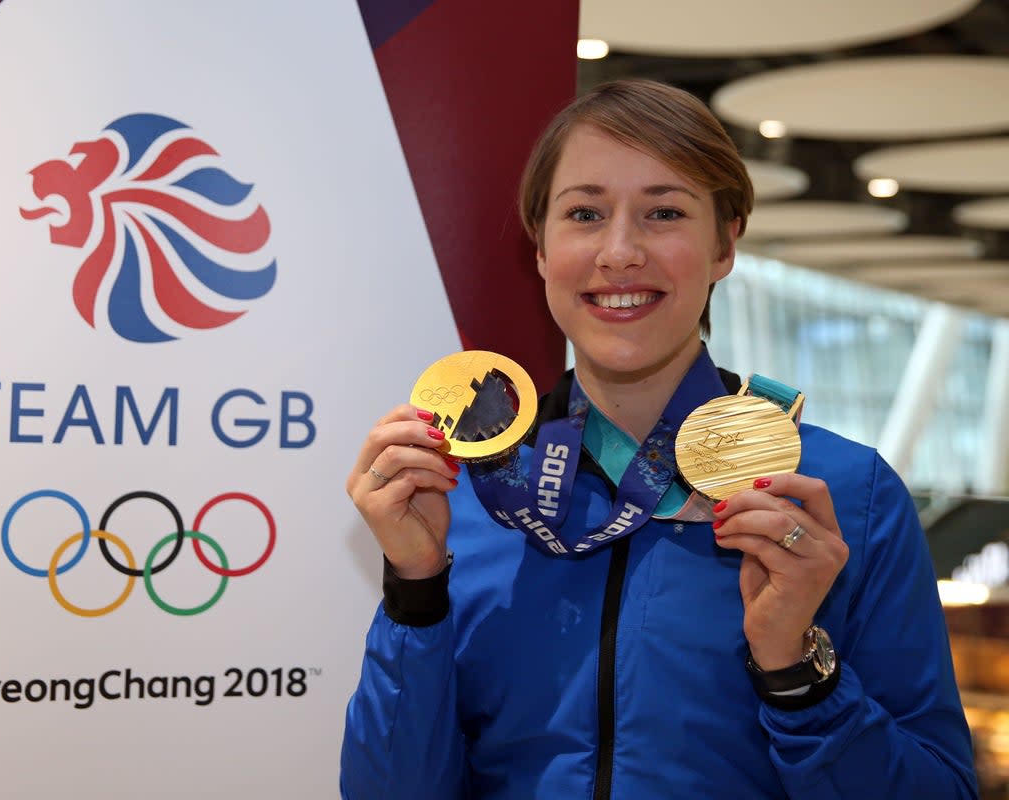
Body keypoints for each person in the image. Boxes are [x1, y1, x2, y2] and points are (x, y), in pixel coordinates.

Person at [339, 79, 977, 799]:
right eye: (584, 213)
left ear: (725, 243)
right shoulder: (472, 488)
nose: (619, 253)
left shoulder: (840, 495)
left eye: (663, 213)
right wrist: (415, 590)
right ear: (541, 248)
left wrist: (796, 672)